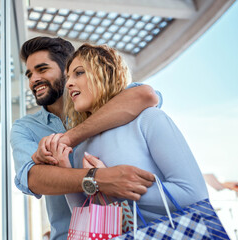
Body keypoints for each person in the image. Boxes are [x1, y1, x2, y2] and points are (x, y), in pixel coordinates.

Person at [10, 36, 162, 239]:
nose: (33, 80)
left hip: (135, 230)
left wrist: (69, 138)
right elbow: (32, 178)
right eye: (29, 74)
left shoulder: (109, 101)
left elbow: (146, 95)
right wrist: (98, 179)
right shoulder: (24, 127)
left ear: (67, 69)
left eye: (42, 69)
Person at [61, 43, 208, 223]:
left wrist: (113, 187)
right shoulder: (79, 149)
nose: (68, 83)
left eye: (79, 72)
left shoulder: (148, 120)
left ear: (105, 73)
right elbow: (86, 220)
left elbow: (194, 194)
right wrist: (64, 170)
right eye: (68, 77)